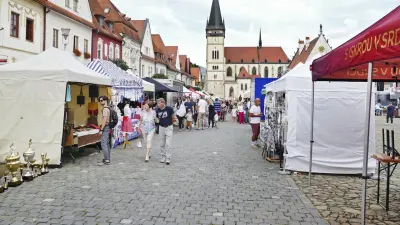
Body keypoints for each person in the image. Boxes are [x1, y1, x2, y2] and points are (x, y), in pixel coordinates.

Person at [156, 98, 174, 164]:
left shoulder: (169, 109)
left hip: (169, 127)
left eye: (159, 103)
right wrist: (156, 120)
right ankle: (163, 157)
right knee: (161, 143)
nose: (158, 104)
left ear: (163, 103)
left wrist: (172, 123)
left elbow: (173, 117)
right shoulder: (157, 110)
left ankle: (168, 158)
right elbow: (157, 119)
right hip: (161, 127)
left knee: (168, 143)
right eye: (157, 103)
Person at [98, 96, 111, 165]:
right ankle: (107, 158)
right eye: (99, 100)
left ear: (105, 100)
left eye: (101, 100)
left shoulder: (105, 109)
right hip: (107, 127)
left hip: (105, 127)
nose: (100, 102)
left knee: (103, 143)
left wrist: (101, 129)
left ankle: (107, 160)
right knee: (106, 143)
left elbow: (104, 119)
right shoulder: (108, 108)